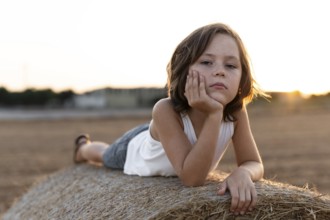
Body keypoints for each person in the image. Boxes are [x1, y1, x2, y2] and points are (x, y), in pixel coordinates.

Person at [73, 22, 267, 216]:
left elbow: (253, 162)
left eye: (231, 65)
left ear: (242, 78)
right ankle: (82, 148)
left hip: (165, 134)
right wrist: (214, 114)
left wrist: (243, 172)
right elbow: (192, 179)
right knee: (104, 154)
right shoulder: (165, 109)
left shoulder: (236, 112)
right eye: (207, 62)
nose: (220, 71)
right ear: (184, 70)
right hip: (136, 148)